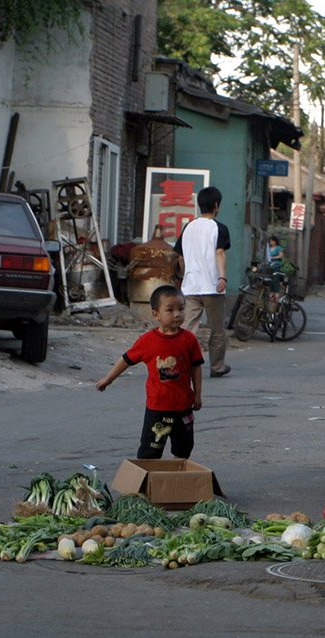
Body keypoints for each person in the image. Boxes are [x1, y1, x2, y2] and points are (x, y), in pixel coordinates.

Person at [96, 285, 204, 459]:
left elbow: (196, 367)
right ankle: (147, 483)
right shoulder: (148, 341)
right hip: (158, 408)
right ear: (156, 314)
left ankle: (179, 479)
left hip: (184, 407)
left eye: (181, 309)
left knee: (183, 449)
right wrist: (108, 379)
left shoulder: (189, 340)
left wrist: (197, 395)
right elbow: (126, 360)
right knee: (150, 451)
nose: (177, 314)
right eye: (170, 310)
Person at [174, 186, 231, 378]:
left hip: (190, 287)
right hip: (213, 288)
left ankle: (179, 365)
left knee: (187, 328)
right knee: (217, 329)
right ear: (216, 205)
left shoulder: (188, 227)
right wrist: (222, 277)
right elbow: (220, 252)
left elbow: (181, 257)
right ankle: (217, 367)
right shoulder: (219, 228)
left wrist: (185, 275)